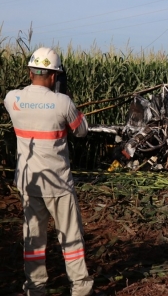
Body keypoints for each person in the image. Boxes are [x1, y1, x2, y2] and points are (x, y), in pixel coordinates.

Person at [4, 47, 94, 296]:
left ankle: (36, 288)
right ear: (55, 76)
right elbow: (81, 130)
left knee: (33, 239)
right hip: (58, 184)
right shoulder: (62, 102)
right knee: (71, 238)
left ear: (30, 72)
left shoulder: (12, 99)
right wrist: (63, 95)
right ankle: (80, 288)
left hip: (28, 182)